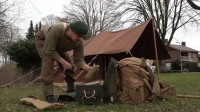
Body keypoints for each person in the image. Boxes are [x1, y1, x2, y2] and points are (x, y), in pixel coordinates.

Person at [35, 21, 92, 103]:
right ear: (70, 30)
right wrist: (63, 62)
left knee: (69, 65)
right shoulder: (58, 29)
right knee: (48, 62)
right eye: (79, 36)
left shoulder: (79, 42)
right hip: (43, 41)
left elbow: (79, 59)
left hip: (58, 47)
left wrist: (88, 68)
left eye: (83, 37)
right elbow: (49, 50)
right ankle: (49, 95)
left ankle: (71, 90)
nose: (80, 39)